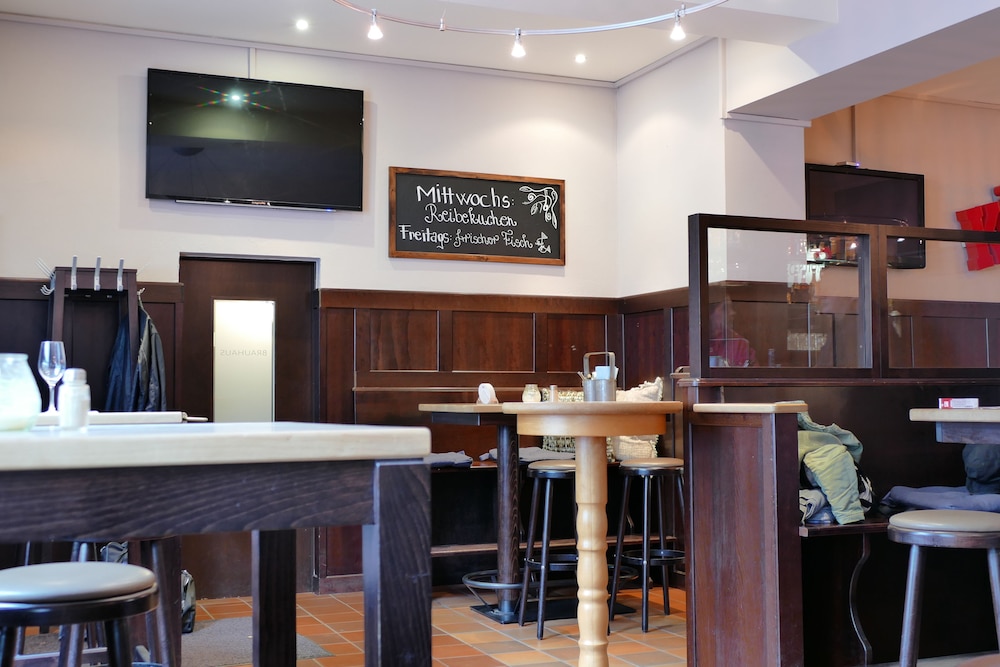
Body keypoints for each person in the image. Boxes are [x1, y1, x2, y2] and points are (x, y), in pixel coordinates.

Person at [708, 299, 757, 367]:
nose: (732, 313)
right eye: (725, 308)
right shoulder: (694, 344)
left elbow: (754, 371)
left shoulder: (740, 343)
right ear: (709, 313)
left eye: (731, 308)